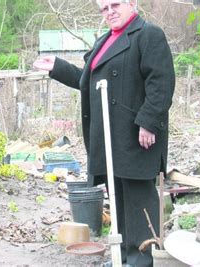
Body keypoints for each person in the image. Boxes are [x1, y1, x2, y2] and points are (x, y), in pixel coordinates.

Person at [33, 0, 175, 266]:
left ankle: (141, 260)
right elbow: (87, 80)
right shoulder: (104, 41)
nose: (110, 11)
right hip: (110, 138)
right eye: (104, 8)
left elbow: (161, 82)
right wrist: (58, 67)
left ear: (132, 3)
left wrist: (148, 123)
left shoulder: (148, 35)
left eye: (115, 4)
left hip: (135, 136)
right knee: (119, 201)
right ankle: (122, 258)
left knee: (138, 202)